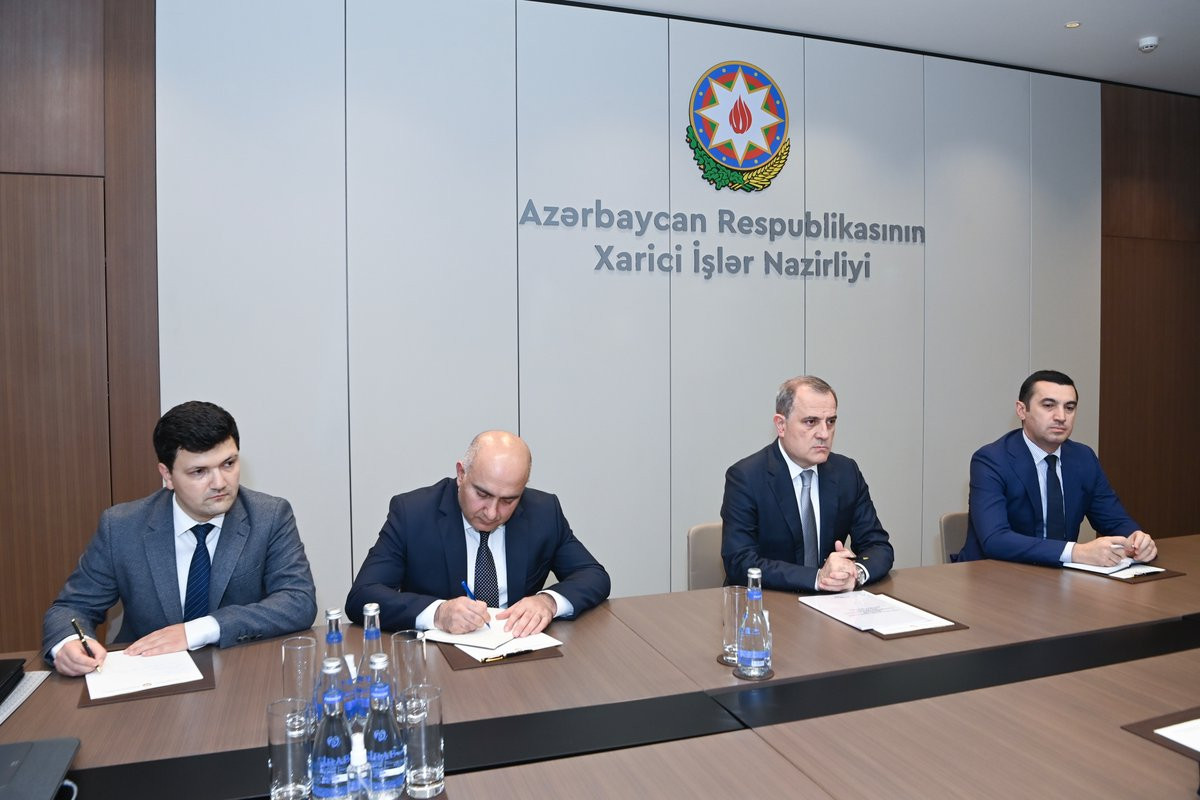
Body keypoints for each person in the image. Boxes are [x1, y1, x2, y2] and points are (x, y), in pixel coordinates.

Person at [43, 401, 317, 676]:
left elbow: (298, 601)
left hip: (241, 674)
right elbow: (73, 607)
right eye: (199, 471)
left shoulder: (269, 516)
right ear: (167, 475)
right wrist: (68, 643)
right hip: (148, 677)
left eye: (228, 464)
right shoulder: (122, 526)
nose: (220, 483)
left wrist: (197, 630)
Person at [346, 430, 610, 636]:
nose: (492, 513)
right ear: (461, 474)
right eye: (482, 494)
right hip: (440, 660)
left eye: (508, 500)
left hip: (518, 653)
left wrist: (548, 602)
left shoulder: (543, 512)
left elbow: (593, 575)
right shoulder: (413, 513)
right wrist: (438, 614)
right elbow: (362, 597)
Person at [956, 370, 1156, 566]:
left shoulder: (1083, 458)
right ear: (1022, 410)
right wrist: (1076, 552)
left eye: (1069, 408)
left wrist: (1137, 540)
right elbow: (995, 540)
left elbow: (1114, 520)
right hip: (994, 574)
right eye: (1048, 405)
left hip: (1058, 577)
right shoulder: (991, 460)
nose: (1061, 416)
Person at [721, 376, 894, 592]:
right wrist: (818, 578)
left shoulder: (846, 472)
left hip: (833, 604)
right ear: (781, 425)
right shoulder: (746, 477)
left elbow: (878, 546)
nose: (824, 434)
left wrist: (855, 572)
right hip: (771, 602)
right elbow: (740, 562)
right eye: (811, 422)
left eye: (830, 421)